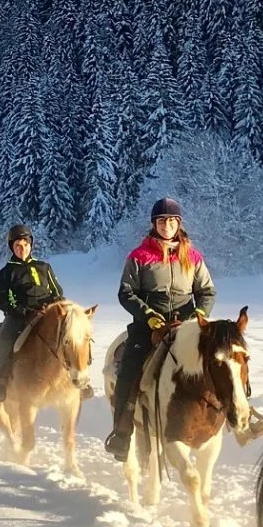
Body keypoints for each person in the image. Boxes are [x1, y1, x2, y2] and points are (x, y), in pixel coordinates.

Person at [104, 196, 216, 460]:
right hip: (149, 324)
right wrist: (148, 315)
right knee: (130, 368)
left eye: (172, 221)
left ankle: (233, 414)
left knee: (218, 359)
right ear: (154, 224)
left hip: (186, 322)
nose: (167, 226)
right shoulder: (139, 256)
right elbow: (126, 292)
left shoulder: (193, 256)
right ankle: (122, 431)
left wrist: (199, 313)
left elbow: (207, 291)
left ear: (179, 224)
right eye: (162, 221)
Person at [0, 223, 66, 403]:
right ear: (12, 248)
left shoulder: (44, 267)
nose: (21, 249)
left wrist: (56, 305)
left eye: (25, 245)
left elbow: (57, 291)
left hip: (49, 311)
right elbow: (0, 299)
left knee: (72, 332)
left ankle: (79, 378)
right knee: (5, 339)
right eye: (17, 246)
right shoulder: (6, 272)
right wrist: (18, 310)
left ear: (31, 245)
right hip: (20, 315)